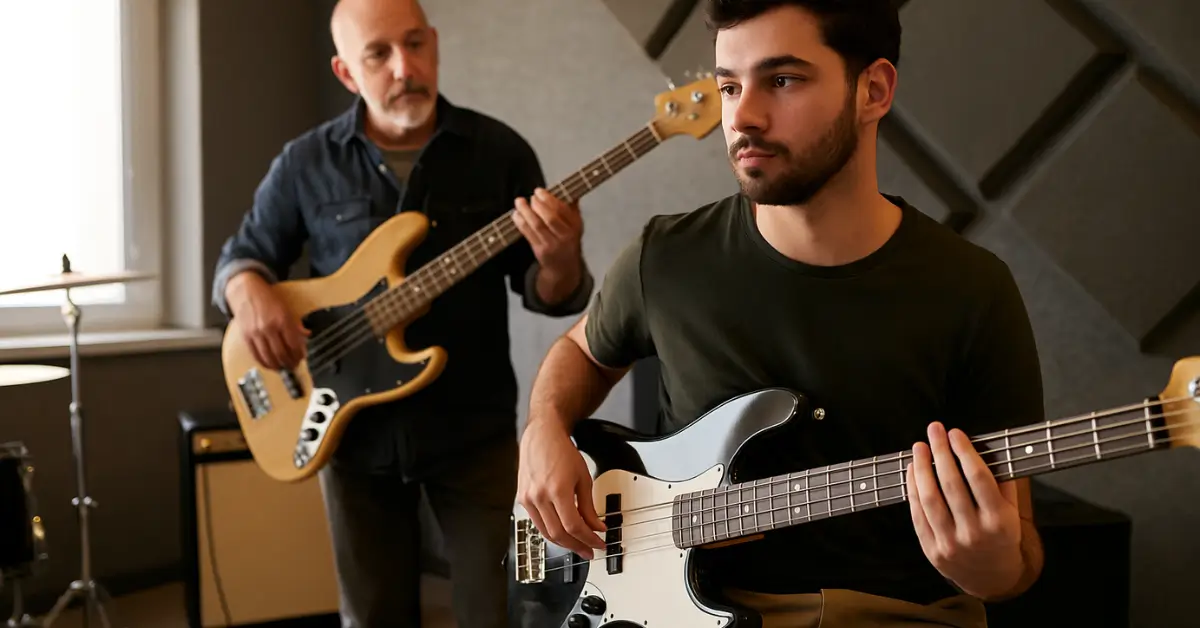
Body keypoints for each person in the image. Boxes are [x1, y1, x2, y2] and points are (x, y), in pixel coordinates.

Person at [515, 0, 1045, 626]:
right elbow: (582, 349)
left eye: (783, 80)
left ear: (872, 90)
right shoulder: (667, 258)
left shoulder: (973, 289)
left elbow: (1022, 555)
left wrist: (987, 566)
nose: (742, 116)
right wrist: (544, 424)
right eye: (730, 85)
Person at [211, 0, 594, 625]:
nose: (404, 67)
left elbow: (548, 293)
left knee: (507, 606)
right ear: (344, 72)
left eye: (415, 45)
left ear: (436, 45)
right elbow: (242, 256)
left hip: (475, 432)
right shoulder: (306, 162)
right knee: (372, 616)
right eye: (379, 54)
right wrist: (247, 291)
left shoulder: (499, 151)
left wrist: (561, 257)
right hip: (353, 437)